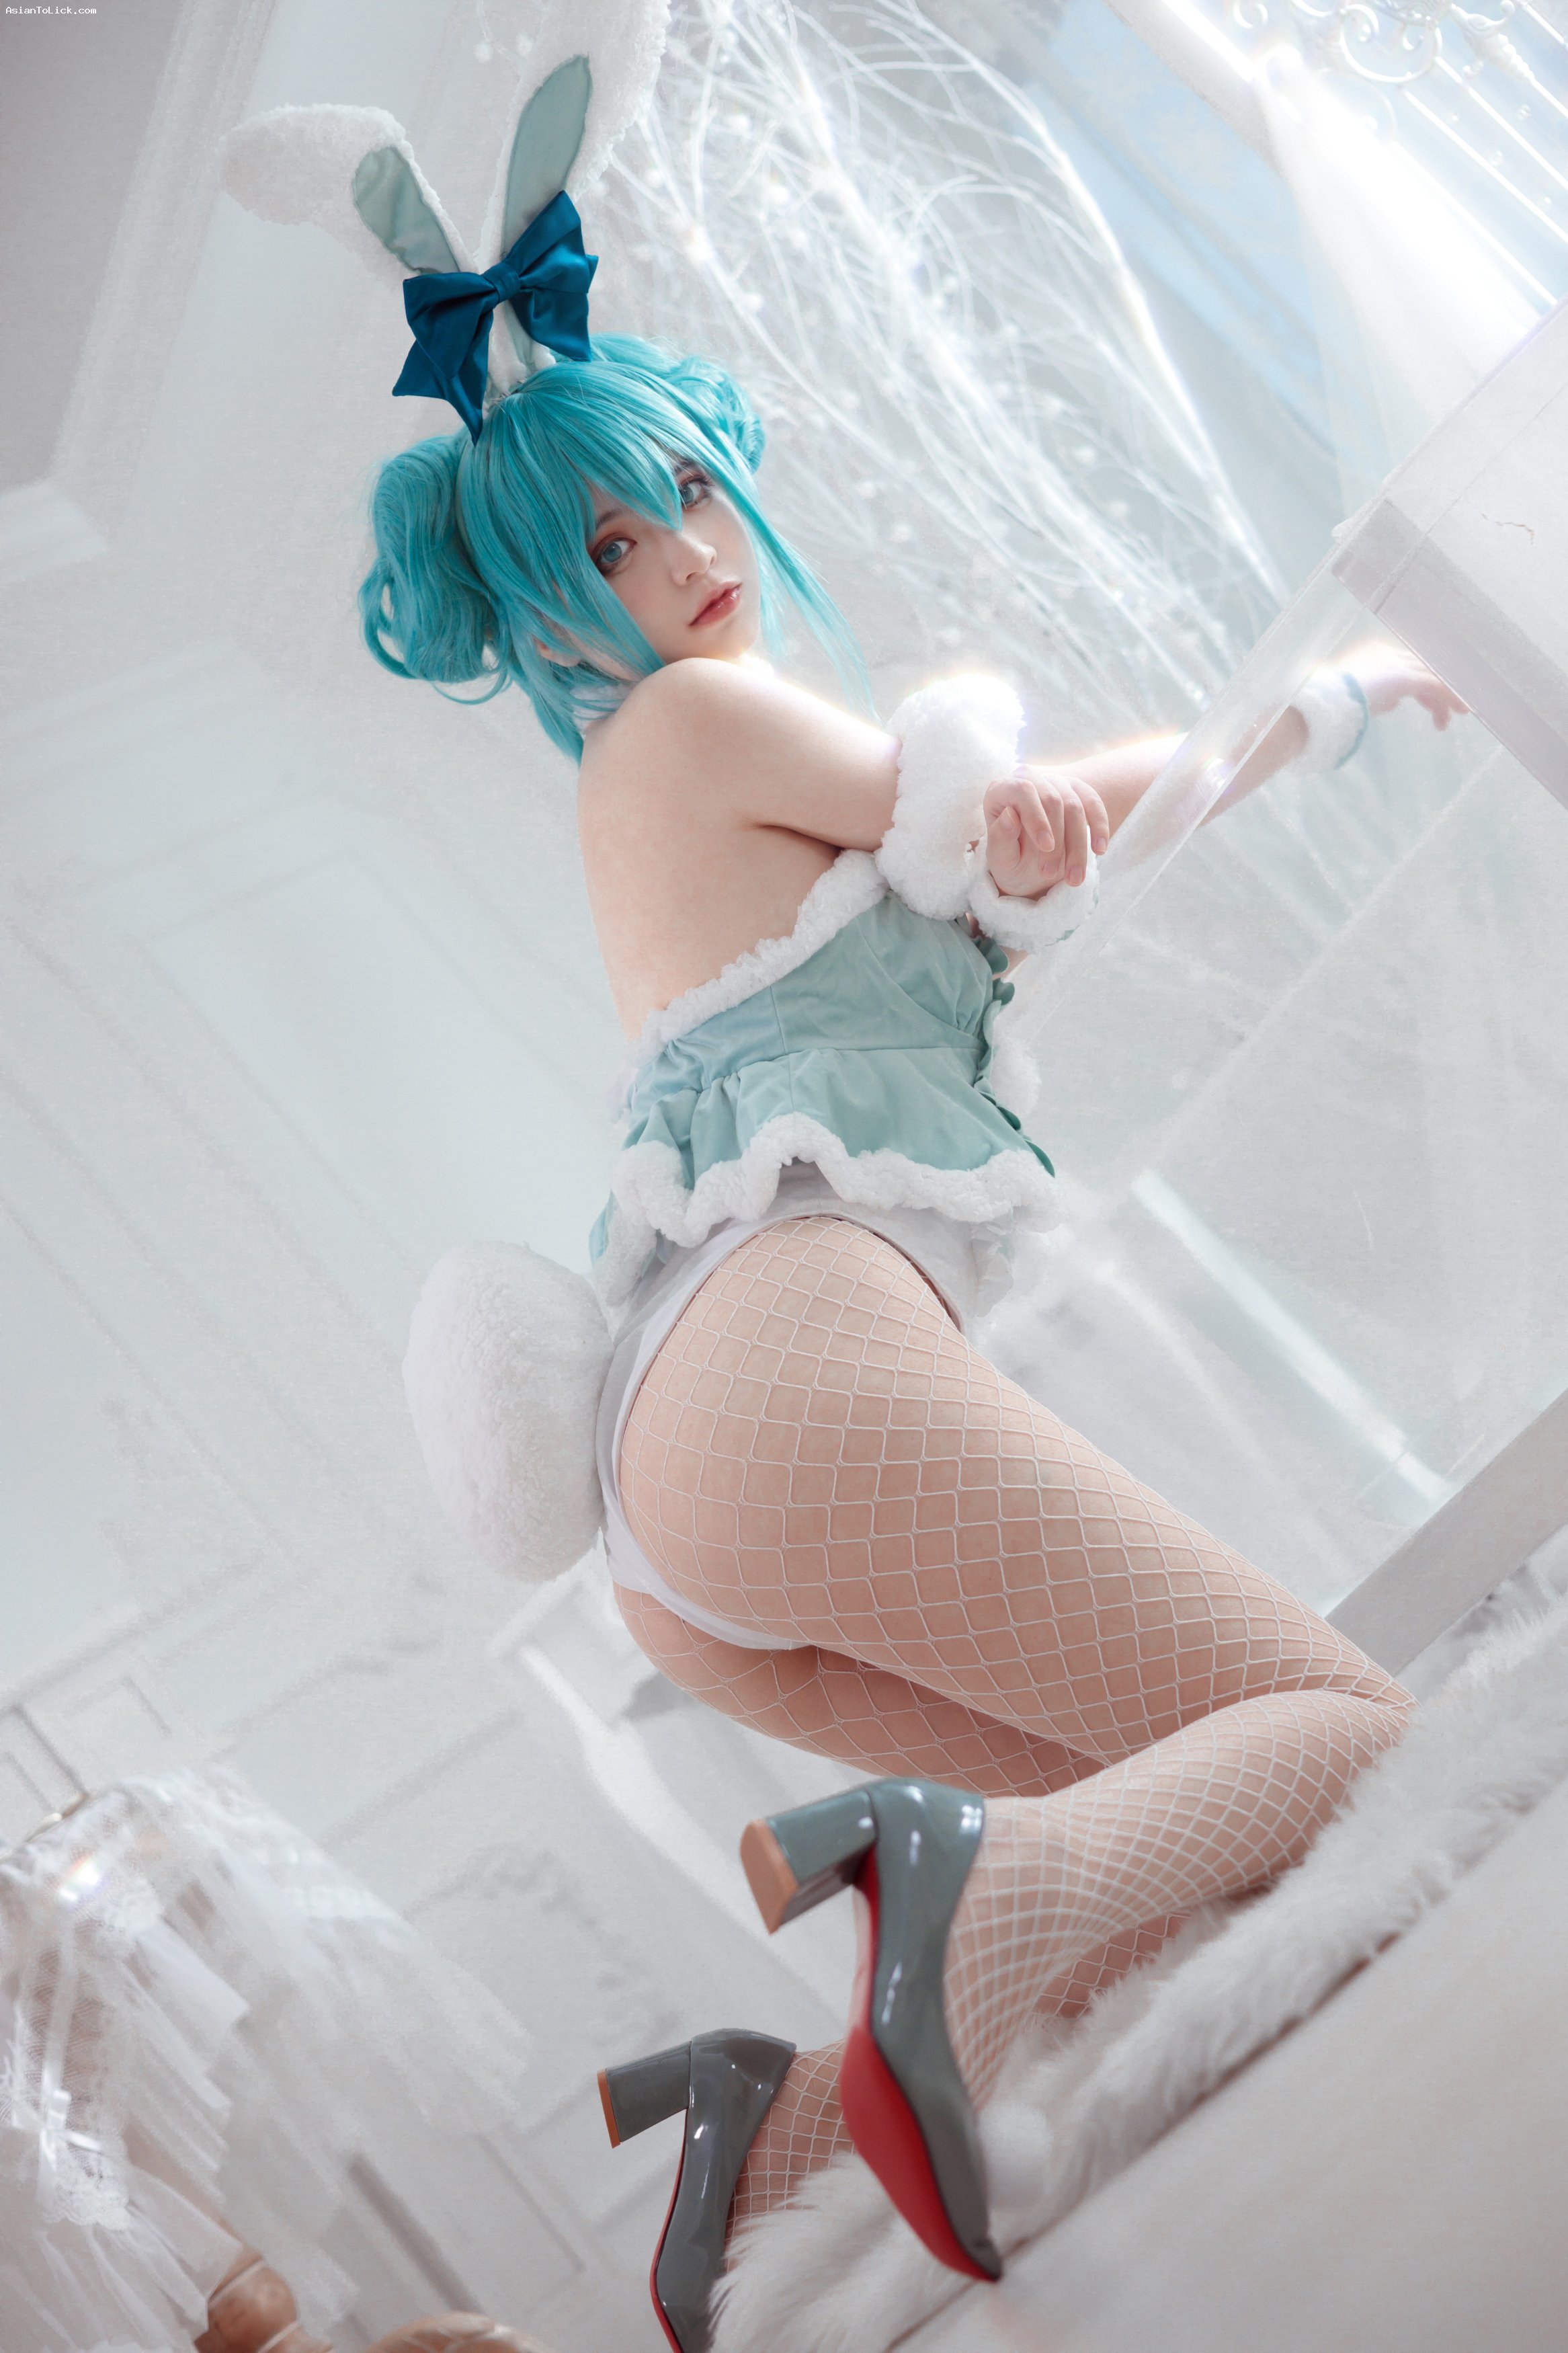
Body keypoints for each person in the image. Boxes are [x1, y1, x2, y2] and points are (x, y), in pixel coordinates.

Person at [360, 330, 1467, 2346]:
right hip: (778, 1379)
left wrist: (1332, 699)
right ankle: (951, 1914)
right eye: (609, 545)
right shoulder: (684, 725)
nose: (686, 554)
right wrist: (1257, 717)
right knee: (1362, 1732)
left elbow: (1067, 823)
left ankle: (760, 2131)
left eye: (693, 490)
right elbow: (989, 805)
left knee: (1209, 1826)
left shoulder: (763, 798)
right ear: (542, 618)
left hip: (707, 1501)